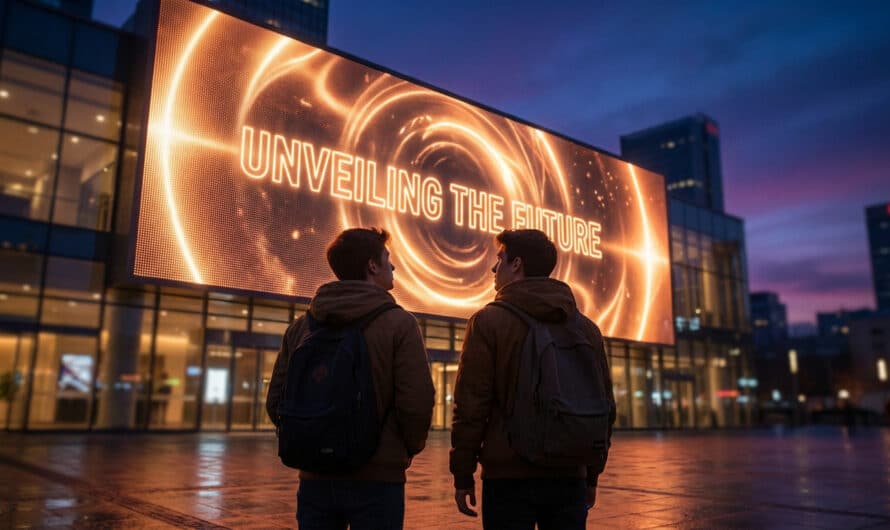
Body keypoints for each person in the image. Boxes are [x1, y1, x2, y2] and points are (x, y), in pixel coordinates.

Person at [266, 227, 435, 529]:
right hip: (378, 478)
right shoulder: (400, 324)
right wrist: (403, 450)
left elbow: (276, 399)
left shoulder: (302, 327)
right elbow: (416, 401)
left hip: (315, 476)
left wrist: (311, 436)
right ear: (372, 265)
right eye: (388, 258)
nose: (393, 266)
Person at [450, 229, 615, 529]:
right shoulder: (587, 329)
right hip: (570, 472)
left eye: (499, 259)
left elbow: (471, 406)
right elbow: (605, 406)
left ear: (517, 264)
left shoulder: (488, 322)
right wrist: (591, 474)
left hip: (507, 476)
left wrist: (463, 474)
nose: (493, 268)